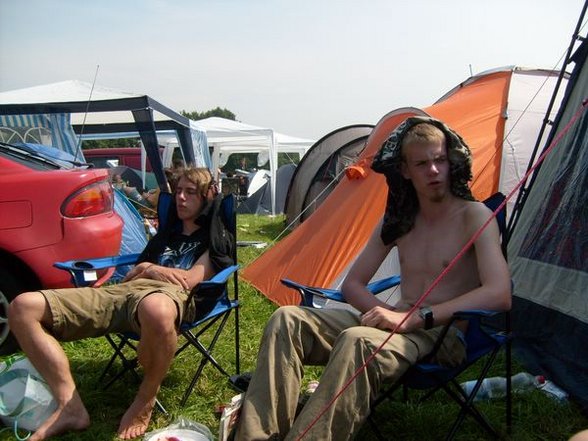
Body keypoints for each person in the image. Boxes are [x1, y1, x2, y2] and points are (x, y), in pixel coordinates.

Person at [234, 116, 512, 441]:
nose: (434, 171)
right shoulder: (399, 219)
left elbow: (499, 293)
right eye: (422, 163)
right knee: (287, 319)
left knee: (358, 341)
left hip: (442, 334)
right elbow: (353, 284)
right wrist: (386, 315)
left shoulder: (474, 215)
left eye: (439, 160)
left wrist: (414, 318)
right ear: (405, 170)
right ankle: (257, 437)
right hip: (399, 323)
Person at [8, 167, 233, 441]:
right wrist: (150, 267)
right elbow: (134, 272)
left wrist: (150, 269)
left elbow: (187, 280)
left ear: (207, 197)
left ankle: (145, 399)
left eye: (191, 193)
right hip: (124, 292)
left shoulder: (213, 240)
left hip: (165, 297)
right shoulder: (165, 235)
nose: (181, 199)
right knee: (23, 306)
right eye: (179, 192)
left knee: (156, 310)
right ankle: (70, 406)